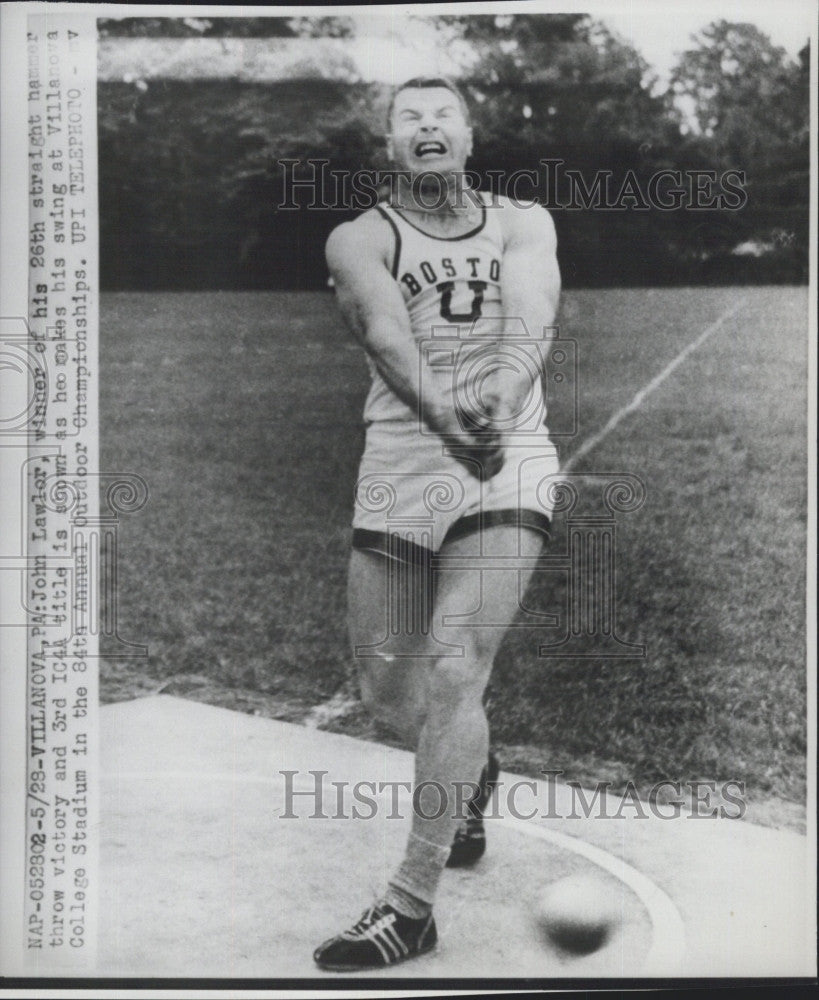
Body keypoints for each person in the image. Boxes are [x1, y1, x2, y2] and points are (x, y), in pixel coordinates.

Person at [313, 76, 561, 971]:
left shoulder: (521, 219)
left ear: (467, 134)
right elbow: (386, 333)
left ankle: (411, 905)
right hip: (402, 465)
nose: (427, 127)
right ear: (389, 146)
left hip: (507, 455)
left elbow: (531, 313)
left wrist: (496, 402)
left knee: (459, 663)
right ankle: (469, 772)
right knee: (393, 698)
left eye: (441, 114)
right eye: (408, 118)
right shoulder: (358, 237)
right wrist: (445, 418)